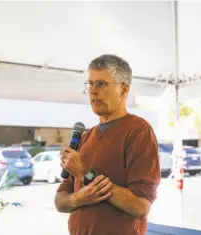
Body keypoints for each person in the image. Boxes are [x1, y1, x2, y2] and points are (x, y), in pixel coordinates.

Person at [54, 54, 161, 235]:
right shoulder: (85, 137)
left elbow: (141, 206)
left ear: (124, 89)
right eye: (90, 84)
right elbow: (60, 201)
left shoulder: (139, 131)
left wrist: (84, 174)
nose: (93, 91)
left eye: (101, 84)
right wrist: (78, 198)